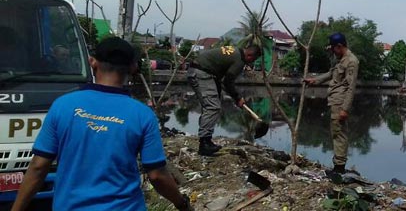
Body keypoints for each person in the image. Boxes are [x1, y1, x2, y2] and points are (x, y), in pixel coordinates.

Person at [12, 37, 192, 211]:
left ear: (92, 62)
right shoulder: (142, 115)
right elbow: (157, 175)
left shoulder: (63, 106)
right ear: (133, 67)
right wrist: (182, 204)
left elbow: (38, 167)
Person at [188, 45, 261, 156]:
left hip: (201, 71)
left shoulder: (235, 51)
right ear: (249, 55)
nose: (250, 63)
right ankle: (204, 144)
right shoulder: (239, 60)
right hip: (201, 73)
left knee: (211, 105)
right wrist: (237, 98)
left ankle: (206, 141)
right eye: (253, 60)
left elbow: (221, 79)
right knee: (212, 107)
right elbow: (228, 81)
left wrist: (232, 96)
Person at [304, 33, 359, 174]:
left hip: (341, 102)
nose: (333, 51)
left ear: (339, 46)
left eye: (334, 48)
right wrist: (315, 80)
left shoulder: (351, 61)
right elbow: (331, 74)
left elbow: (351, 87)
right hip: (334, 100)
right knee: (335, 132)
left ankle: (339, 168)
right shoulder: (341, 60)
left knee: (339, 133)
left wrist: (345, 109)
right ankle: (338, 166)